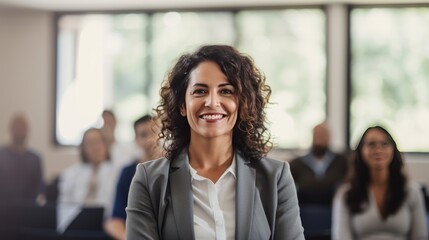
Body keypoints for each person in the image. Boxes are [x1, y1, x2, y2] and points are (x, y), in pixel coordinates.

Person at [126, 45, 304, 240]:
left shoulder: (276, 178)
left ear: (242, 103)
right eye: (200, 91)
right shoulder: (150, 180)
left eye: (226, 91)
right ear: (182, 106)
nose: (212, 102)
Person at [332, 126, 428, 240]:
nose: (378, 149)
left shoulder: (412, 192)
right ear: (360, 151)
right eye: (371, 144)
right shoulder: (345, 195)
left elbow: (420, 237)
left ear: (393, 150)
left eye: (385, 143)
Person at [104, 115, 162, 240]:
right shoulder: (127, 173)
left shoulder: (175, 169)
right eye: (144, 135)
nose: (151, 139)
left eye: (155, 132)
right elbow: (114, 221)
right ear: (137, 141)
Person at [289, 122, 348, 206]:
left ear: (329, 137)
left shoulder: (342, 162)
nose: (319, 139)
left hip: (334, 209)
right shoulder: (296, 164)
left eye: (322, 135)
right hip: (304, 210)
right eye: (316, 134)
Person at [58, 128, 114, 209]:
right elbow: (64, 206)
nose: (95, 147)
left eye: (98, 142)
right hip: (79, 218)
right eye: (90, 143)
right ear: (83, 148)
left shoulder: (118, 173)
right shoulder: (69, 174)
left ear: (106, 145)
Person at [0, 113, 44, 202]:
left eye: (23, 128)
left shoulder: (35, 159)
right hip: (4, 209)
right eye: (17, 127)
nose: (20, 131)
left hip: (28, 209)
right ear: (11, 129)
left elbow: (40, 187)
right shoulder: (2, 156)